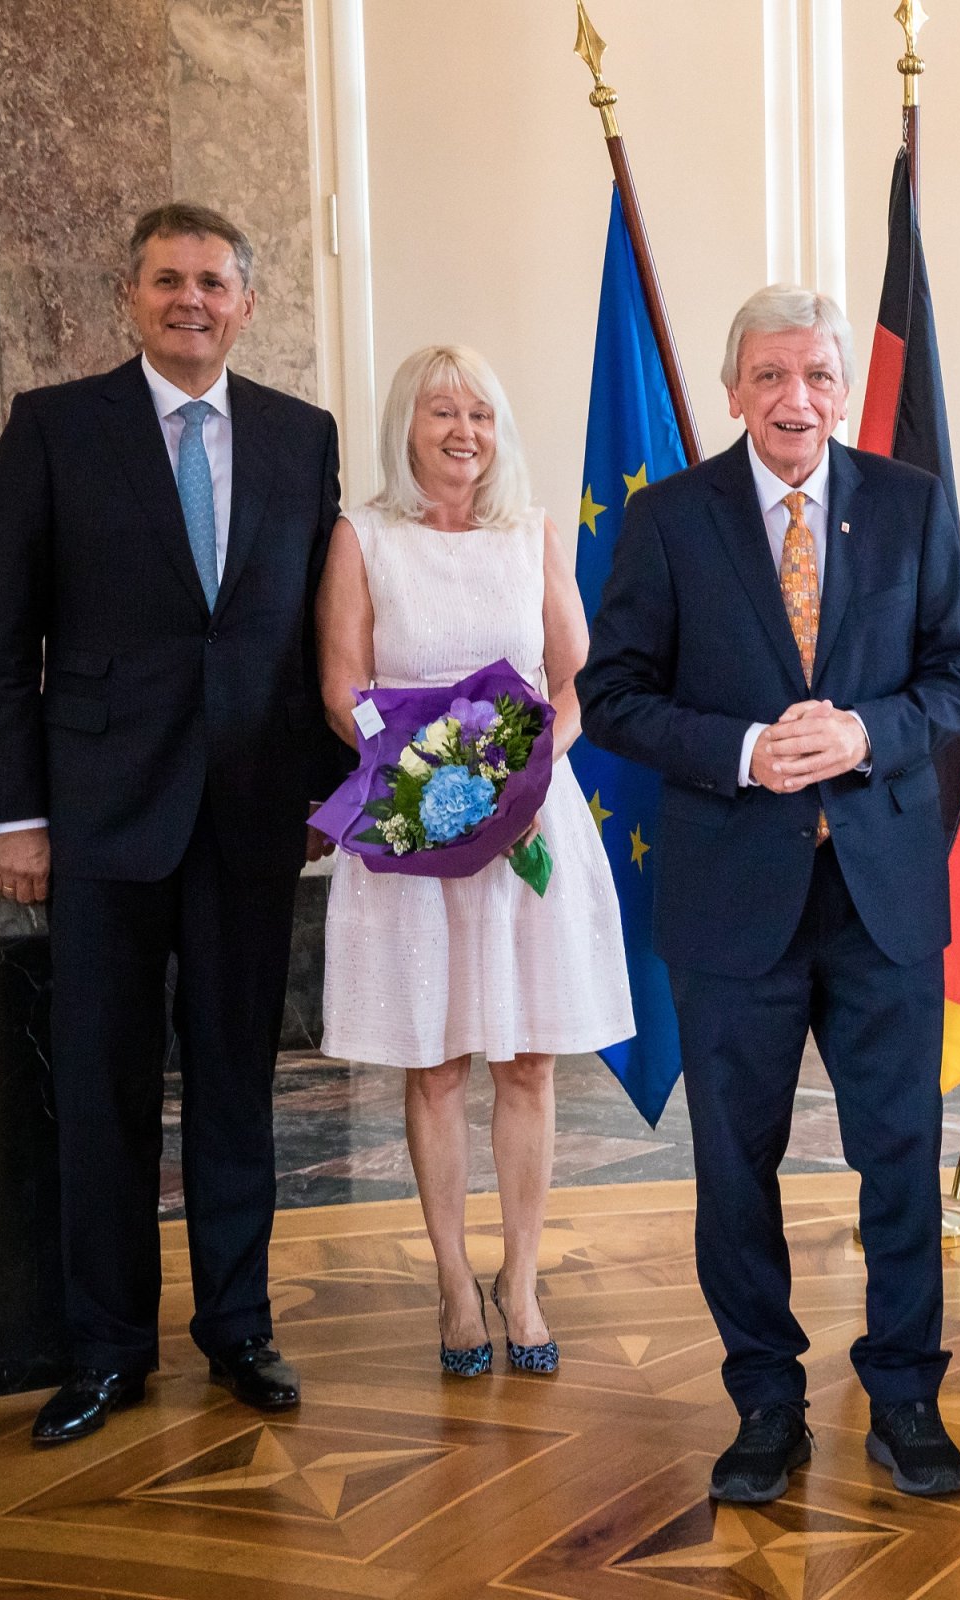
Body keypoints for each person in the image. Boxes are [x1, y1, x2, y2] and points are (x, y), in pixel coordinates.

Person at [579, 285, 960, 1502]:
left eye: (815, 375)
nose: (794, 399)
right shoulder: (668, 520)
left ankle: (906, 1393)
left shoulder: (910, 506)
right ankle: (765, 1401)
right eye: (768, 376)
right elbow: (613, 697)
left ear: (841, 388)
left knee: (899, 1156)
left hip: (881, 894)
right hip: (732, 899)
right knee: (734, 1167)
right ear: (733, 389)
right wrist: (746, 750)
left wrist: (866, 734)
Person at [0, 202, 345, 1443]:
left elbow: (305, 638)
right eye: (168, 280)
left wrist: (318, 795)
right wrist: (18, 816)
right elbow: (2, 635)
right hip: (97, 821)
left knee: (242, 1085)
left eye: (214, 283)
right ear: (130, 296)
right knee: (104, 1090)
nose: (192, 300)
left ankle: (239, 1327)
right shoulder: (55, 427)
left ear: (248, 302)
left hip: (247, 822)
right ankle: (108, 1348)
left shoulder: (303, 436)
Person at [315, 345, 634, 1377]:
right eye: (442, 412)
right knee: (438, 1060)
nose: (463, 432)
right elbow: (343, 684)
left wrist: (526, 774)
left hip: (526, 826)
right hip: (414, 825)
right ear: (407, 427)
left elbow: (578, 683)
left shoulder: (530, 536)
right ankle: (455, 1283)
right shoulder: (363, 536)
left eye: (482, 415)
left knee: (529, 1060)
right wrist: (426, 781)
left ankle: (523, 1277)